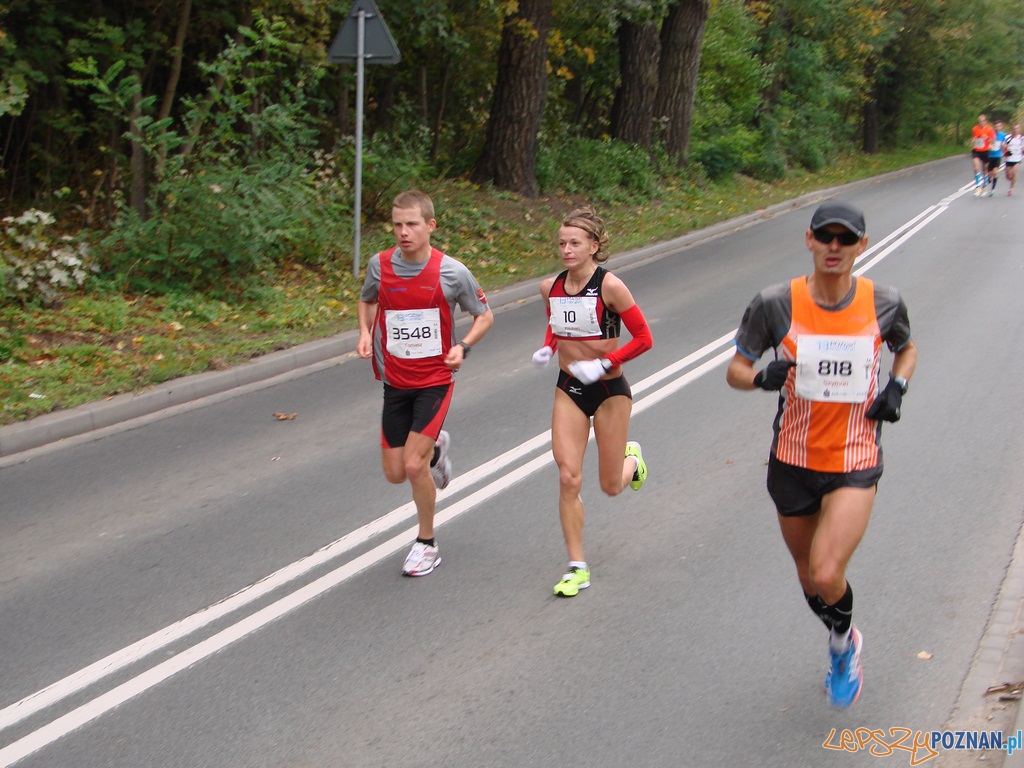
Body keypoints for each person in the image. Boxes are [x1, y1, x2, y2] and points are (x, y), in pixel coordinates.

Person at [726, 200, 917, 708]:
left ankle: (842, 645)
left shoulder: (885, 301)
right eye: (825, 237)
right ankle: (843, 632)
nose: (835, 247)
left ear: (862, 246)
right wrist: (762, 378)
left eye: (845, 239)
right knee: (810, 576)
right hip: (792, 460)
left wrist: (896, 387)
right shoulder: (774, 303)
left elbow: (908, 348)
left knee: (829, 572)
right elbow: (736, 371)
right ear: (809, 241)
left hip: (854, 458)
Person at [357, 189, 494, 577]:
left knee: (413, 466)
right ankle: (435, 451)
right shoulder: (379, 265)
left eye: (412, 224)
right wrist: (365, 332)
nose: (404, 232)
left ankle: (426, 544)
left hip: (435, 380)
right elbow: (367, 300)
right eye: (398, 224)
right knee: (395, 472)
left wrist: (463, 347)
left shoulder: (452, 271)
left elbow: (484, 315)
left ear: (430, 226)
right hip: (395, 381)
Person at [532, 207, 653, 597]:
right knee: (568, 476)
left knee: (610, 487)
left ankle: (631, 460)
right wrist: (548, 348)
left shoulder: (610, 287)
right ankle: (577, 566)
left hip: (608, 391)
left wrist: (605, 361)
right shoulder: (549, 286)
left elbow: (644, 338)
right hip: (569, 387)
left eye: (575, 243)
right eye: (562, 243)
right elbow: (558, 322)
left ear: (594, 246)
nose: (566, 250)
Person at [971, 114, 995, 195]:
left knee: (985, 169)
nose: (981, 123)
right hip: (976, 150)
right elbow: (974, 138)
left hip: (985, 151)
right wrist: (973, 140)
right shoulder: (975, 128)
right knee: (976, 167)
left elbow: (993, 141)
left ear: (986, 121)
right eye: (979, 121)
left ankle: (984, 186)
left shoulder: (989, 129)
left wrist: (987, 138)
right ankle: (977, 186)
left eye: (982, 121)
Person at [986, 119, 1008, 196]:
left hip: (998, 155)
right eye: (996, 126)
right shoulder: (990, 134)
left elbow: (1004, 143)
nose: (997, 128)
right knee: (990, 173)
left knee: (995, 172)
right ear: (994, 127)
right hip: (990, 155)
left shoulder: (1002, 135)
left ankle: (993, 189)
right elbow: (986, 142)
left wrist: (1005, 146)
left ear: (1001, 127)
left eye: (999, 126)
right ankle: (988, 178)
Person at [1004, 123, 1023, 196]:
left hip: (1017, 159)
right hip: (1009, 159)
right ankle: (1011, 180)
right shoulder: (1008, 137)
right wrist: (1006, 150)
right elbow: (1004, 146)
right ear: (1012, 129)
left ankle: (1011, 189)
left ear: (1019, 129)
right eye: (1014, 129)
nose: (1016, 130)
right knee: (1009, 176)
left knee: (1014, 173)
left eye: (1017, 129)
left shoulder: (1021, 138)